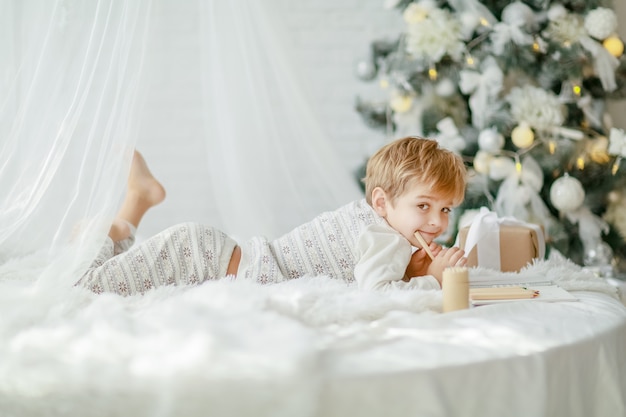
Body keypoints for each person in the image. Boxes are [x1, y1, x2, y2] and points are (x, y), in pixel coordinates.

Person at [76, 136, 468, 295]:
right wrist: (432, 279)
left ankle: (136, 206)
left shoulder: (377, 226)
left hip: (208, 253)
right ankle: (100, 230)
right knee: (83, 288)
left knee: (115, 279)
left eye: (446, 209)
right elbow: (378, 295)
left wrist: (412, 270)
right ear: (382, 203)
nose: (437, 222)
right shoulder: (383, 236)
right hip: (200, 258)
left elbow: (369, 273)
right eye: (424, 206)